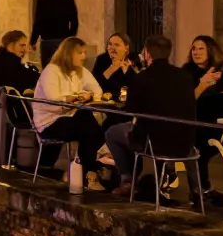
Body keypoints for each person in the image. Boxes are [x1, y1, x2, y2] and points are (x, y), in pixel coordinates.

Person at [104, 36, 199, 199]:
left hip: (152, 143)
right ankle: (192, 188)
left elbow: (131, 110)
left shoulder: (142, 78)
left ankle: (127, 180)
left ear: (147, 54)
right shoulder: (184, 76)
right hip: (185, 143)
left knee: (112, 133)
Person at [31, 37, 106, 190]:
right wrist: (73, 98)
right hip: (49, 122)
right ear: (68, 53)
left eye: (84, 52)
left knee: (90, 125)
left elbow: (98, 90)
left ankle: (87, 172)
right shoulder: (51, 71)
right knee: (90, 127)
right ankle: (90, 172)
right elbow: (54, 100)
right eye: (80, 53)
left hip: (70, 117)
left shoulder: (80, 71)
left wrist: (89, 95)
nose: (84, 57)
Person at [183, 35, 223, 196]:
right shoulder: (187, 72)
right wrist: (202, 85)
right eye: (194, 48)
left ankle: (202, 189)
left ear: (210, 50)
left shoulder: (221, 72)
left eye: (200, 48)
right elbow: (186, 102)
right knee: (197, 150)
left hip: (214, 122)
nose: (196, 52)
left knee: (203, 150)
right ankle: (199, 190)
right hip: (192, 121)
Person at [30, 0, 79, 67]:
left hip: (47, 40)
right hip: (63, 40)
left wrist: (33, 41)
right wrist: (69, 38)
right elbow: (74, 21)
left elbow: (38, 21)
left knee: (48, 70)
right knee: (63, 68)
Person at [91, 32, 140, 101]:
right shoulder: (101, 59)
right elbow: (93, 85)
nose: (112, 48)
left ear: (126, 47)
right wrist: (111, 69)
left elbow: (136, 87)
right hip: (104, 103)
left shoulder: (133, 60)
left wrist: (127, 71)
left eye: (117, 45)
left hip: (126, 103)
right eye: (110, 44)